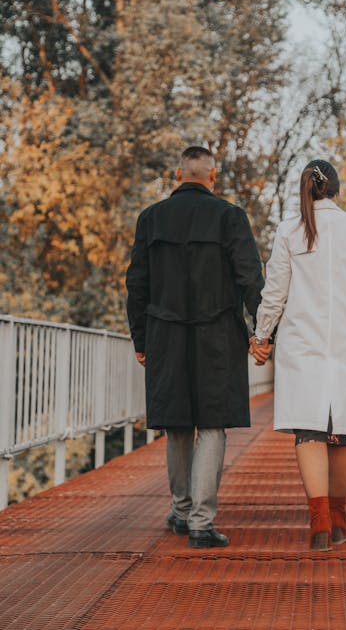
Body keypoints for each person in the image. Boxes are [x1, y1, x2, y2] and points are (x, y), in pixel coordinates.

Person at [249, 160, 346, 551]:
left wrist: (262, 335)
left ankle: (318, 525)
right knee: (344, 431)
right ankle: (338, 521)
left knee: (309, 430)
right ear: (336, 188)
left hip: (304, 344)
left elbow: (275, 292)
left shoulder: (289, 230)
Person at [126, 146, 264, 548]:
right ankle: (202, 523)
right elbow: (250, 279)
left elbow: (137, 283)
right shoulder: (230, 217)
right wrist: (263, 333)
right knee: (213, 424)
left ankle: (181, 511)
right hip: (218, 333)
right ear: (212, 176)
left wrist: (140, 337)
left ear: (177, 174)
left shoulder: (150, 219)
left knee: (178, 424)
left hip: (165, 334)